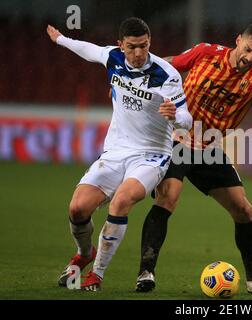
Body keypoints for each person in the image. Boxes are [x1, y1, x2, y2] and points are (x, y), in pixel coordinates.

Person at [136, 23, 252, 296]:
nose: (250, 59)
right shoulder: (206, 53)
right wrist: (138, 75)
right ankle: (146, 273)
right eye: (247, 50)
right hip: (175, 140)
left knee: (244, 211)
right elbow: (171, 64)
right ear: (238, 41)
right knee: (168, 196)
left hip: (209, 149)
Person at [47, 17, 192, 291]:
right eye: (132, 47)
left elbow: (188, 118)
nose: (139, 53)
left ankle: (97, 274)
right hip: (115, 151)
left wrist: (177, 116)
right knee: (77, 208)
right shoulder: (113, 57)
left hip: (151, 155)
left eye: (144, 46)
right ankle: (85, 253)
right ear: (121, 46)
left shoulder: (167, 74)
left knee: (121, 201)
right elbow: (89, 49)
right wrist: (61, 40)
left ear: (150, 43)